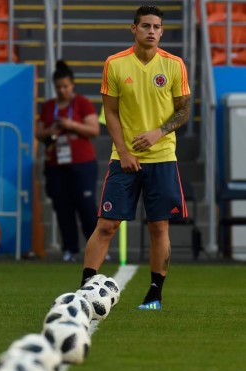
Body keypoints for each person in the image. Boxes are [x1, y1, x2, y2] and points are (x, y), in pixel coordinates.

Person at [80, 5, 191, 310]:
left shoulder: (174, 65)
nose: (152, 31)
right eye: (145, 26)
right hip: (124, 159)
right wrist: (125, 151)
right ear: (134, 29)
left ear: (161, 31)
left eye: (156, 27)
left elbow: (183, 110)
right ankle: (84, 289)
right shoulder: (115, 64)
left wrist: (158, 132)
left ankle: (155, 293)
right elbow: (110, 113)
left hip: (163, 157)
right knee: (106, 225)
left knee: (159, 227)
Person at [36, 60, 100, 262]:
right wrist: (51, 131)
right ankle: (70, 250)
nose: (62, 90)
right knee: (63, 208)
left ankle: (97, 250)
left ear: (72, 85)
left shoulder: (82, 103)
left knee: (86, 207)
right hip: (56, 164)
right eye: (58, 87)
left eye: (65, 86)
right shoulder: (48, 107)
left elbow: (94, 130)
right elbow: (39, 133)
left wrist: (71, 124)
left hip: (82, 164)